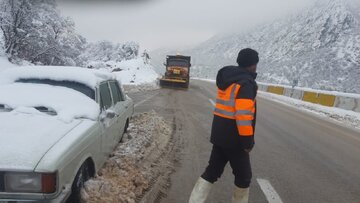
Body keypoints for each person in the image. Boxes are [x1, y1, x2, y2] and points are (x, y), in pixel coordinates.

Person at [189, 48, 259, 203]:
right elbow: (242, 116)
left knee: (212, 172)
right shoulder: (245, 84)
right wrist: (247, 142)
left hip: (220, 136)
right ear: (253, 65)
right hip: (235, 140)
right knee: (244, 177)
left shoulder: (229, 80)